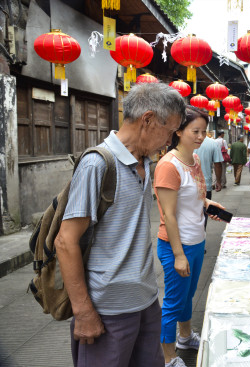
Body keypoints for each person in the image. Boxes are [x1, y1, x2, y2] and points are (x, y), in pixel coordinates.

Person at [55, 82, 185, 367]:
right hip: (108, 309)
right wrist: (84, 312)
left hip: (146, 301)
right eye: (170, 130)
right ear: (148, 120)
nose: (171, 140)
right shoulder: (97, 165)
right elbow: (65, 242)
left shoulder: (146, 162)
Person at [154, 106, 226, 367]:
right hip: (177, 245)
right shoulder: (167, 166)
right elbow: (169, 215)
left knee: (188, 295)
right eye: (195, 131)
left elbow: (194, 195)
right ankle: (168, 357)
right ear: (179, 131)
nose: (200, 136)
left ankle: (185, 338)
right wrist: (178, 255)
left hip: (197, 241)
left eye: (204, 132)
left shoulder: (194, 161)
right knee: (173, 302)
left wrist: (208, 204)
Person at [195, 131, 223, 229]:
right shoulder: (213, 143)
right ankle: (202, 234)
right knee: (204, 214)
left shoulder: (187, 141)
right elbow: (217, 164)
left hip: (188, 185)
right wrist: (218, 181)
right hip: (206, 185)